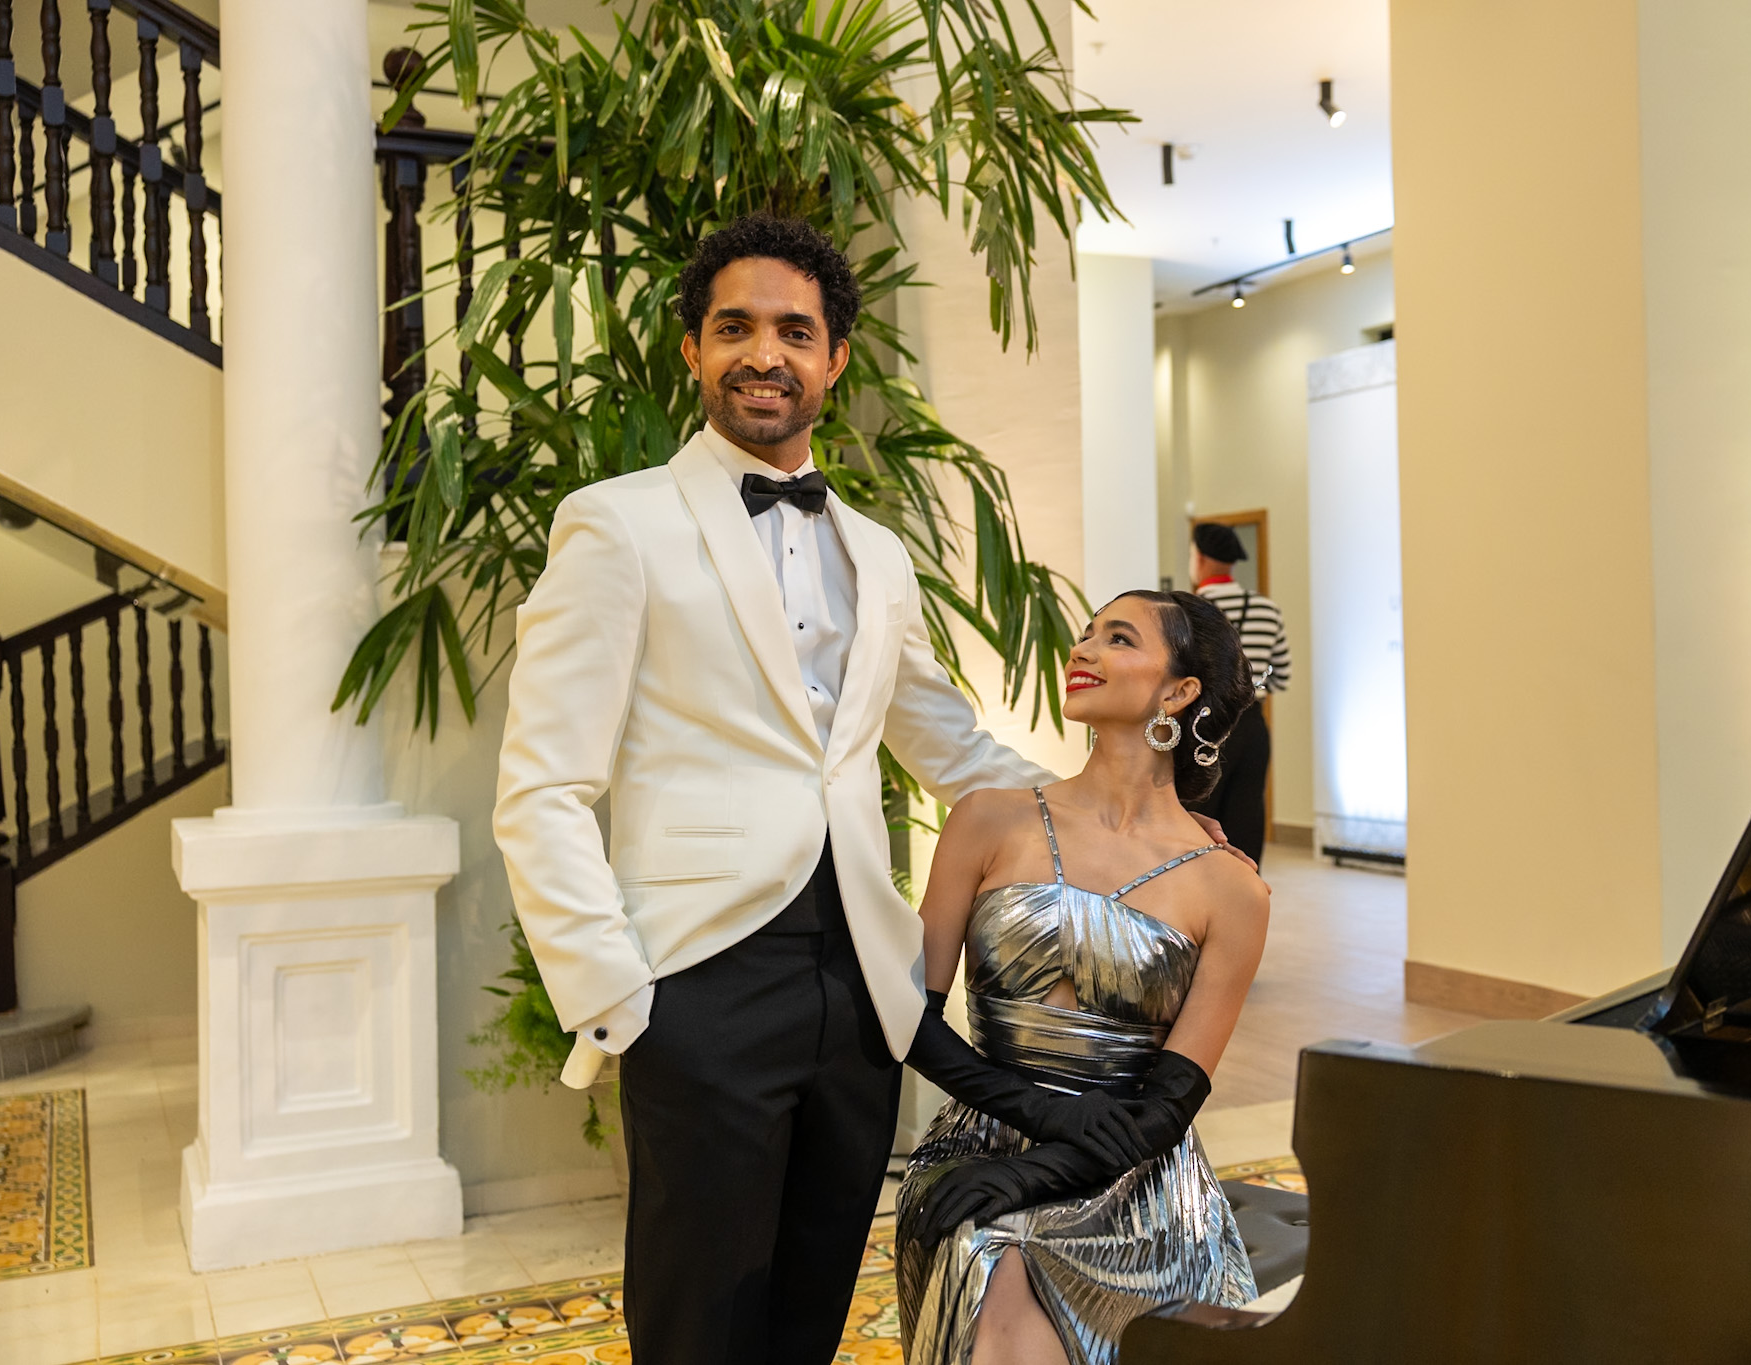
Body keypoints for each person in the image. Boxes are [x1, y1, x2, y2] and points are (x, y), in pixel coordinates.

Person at [493, 215, 1236, 1364]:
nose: (764, 354)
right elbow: (541, 788)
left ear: (834, 359)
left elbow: (947, 742)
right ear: (692, 348)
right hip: (699, 983)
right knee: (696, 1321)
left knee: (811, 1305)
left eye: (794, 332)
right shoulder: (617, 525)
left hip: (862, 994)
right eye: (735, 327)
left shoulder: (877, 553)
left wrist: (1130, 826)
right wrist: (625, 1001)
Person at [895, 590, 1271, 1365]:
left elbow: (1171, 1101)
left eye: (1119, 638)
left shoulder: (1231, 887)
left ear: (1179, 691)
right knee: (991, 1257)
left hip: (1138, 1171)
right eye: (1087, 633)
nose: (1083, 648)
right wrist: (1032, 1125)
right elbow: (912, 1019)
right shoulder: (987, 819)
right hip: (984, 1136)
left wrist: (1049, 1166)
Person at [1185, 522, 1292, 867]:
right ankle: (1244, 885)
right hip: (1251, 725)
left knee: (1197, 812)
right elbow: (1282, 676)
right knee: (1247, 813)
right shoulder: (1266, 609)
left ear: (1199, 557)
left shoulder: (1187, 610)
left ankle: (1193, 890)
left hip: (1202, 721)